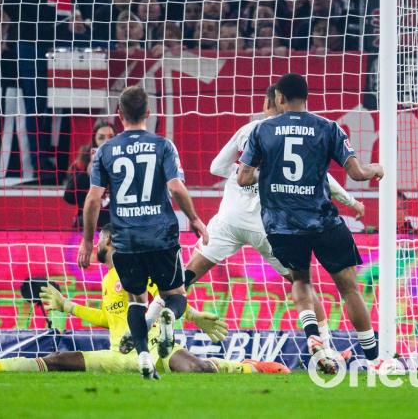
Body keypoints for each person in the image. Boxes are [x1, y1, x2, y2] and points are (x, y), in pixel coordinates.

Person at [180, 84, 365, 354]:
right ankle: (324, 348)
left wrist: (247, 173)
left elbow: (217, 167)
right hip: (270, 225)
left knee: (185, 276)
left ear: (271, 102)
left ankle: (149, 322)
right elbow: (322, 177)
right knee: (301, 282)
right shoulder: (301, 131)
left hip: (230, 221)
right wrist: (350, 201)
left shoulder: (250, 130)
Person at [0, 226, 289, 374]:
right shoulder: (108, 279)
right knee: (60, 359)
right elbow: (110, 318)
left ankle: (248, 368)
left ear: (109, 240)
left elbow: (168, 300)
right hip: (121, 355)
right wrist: (67, 307)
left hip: (162, 349)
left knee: (199, 370)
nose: (97, 242)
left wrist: (197, 315)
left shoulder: (140, 268)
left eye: (100, 237)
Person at [237, 73, 390, 373]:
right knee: (349, 288)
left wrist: (270, 175)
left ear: (279, 97)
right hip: (322, 221)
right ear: (306, 97)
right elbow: (358, 173)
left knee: (300, 281)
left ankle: (313, 338)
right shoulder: (328, 128)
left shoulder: (262, 130)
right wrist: (377, 168)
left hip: (281, 224)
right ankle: (374, 360)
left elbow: (243, 177)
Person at [77, 85, 207, 379]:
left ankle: (144, 358)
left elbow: (93, 199)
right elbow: (175, 188)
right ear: (148, 113)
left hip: (126, 239)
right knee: (175, 295)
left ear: (119, 114)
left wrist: (87, 241)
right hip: (161, 235)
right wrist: (196, 220)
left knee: (136, 299)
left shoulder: (105, 151)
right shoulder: (163, 145)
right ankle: (169, 317)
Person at [62, 120, 114, 230]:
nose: (106, 142)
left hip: (114, 226)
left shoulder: (125, 161)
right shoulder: (83, 161)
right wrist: (86, 174)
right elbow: (68, 197)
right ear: (94, 142)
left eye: (110, 137)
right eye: (101, 138)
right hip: (86, 225)